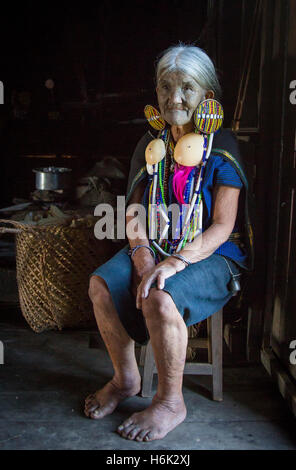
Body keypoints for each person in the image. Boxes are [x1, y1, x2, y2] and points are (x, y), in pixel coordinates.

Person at [84, 43, 254, 442]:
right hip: (156, 244)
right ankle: (126, 380)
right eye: (165, 87)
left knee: (161, 296)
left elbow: (222, 226)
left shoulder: (222, 148)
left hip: (211, 254)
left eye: (187, 88)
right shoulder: (151, 144)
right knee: (101, 285)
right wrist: (142, 252)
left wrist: (175, 262)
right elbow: (133, 211)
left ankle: (169, 401)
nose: (174, 98)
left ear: (206, 96)